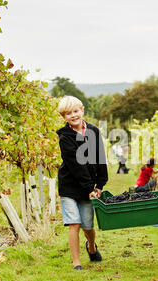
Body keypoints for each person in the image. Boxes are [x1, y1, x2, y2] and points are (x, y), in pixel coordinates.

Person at [56, 96, 108, 270]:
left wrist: (99, 185)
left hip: (89, 186)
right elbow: (76, 165)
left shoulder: (93, 131)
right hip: (69, 186)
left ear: (82, 111)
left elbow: (100, 158)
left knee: (87, 224)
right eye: (68, 113)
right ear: (64, 117)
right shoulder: (65, 137)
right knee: (74, 223)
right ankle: (76, 261)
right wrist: (89, 188)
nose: (73, 115)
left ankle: (91, 246)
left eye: (76, 111)